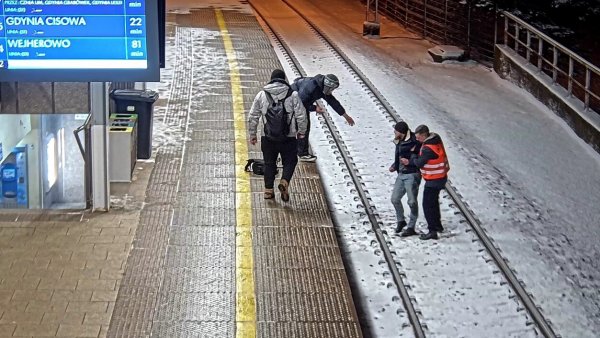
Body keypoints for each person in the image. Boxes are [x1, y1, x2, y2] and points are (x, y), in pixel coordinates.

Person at [248, 69, 308, 201]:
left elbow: (253, 116)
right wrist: (302, 132)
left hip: (268, 137)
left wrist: (253, 134)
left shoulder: (261, 95)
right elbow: (301, 116)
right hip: (289, 137)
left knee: (269, 163)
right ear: (284, 80)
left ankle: (268, 191)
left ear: (271, 79)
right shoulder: (293, 95)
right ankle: (284, 181)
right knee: (291, 161)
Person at [291, 74, 355, 162]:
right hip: (294, 102)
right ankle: (302, 154)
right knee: (303, 127)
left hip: (300, 102)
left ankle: (298, 149)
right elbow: (300, 103)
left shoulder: (321, 86)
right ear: (327, 87)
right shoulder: (311, 87)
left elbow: (333, 102)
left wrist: (346, 116)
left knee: (300, 126)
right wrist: (314, 108)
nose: (331, 91)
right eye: (331, 89)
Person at [401, 125, 449, 240]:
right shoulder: (435, 139)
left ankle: (432, 231)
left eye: (418, 138)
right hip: (441, 176)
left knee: (427, 205)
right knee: (433, 203)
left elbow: (419, 163)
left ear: (424, 135)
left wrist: (411, 158)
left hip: (434, 178)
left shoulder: (428, 148)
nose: (417, 140)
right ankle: (437, 226)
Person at [389, 121, 421, 237]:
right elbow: (399, 155)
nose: (394, 132)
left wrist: (409, 162)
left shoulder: (415, 142)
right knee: (395, 199)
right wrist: (395, 165)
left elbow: (420, 159)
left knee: (412, 201)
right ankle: (401, 221)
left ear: (401, 132)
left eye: (396, 131)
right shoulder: (399, 140)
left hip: (412, 174)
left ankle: (411, 226)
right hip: (401, 173)